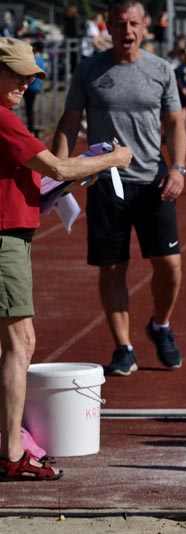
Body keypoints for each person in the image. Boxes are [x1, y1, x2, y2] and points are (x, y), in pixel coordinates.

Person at [0, 37, 131, 479]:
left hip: (11, 234)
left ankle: (10, 443)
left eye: (31, 75)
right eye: (17, 74)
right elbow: (57, 168)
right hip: (4, 240)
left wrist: (71, 177)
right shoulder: (3, 120)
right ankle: (12, 452)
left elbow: (46, 177)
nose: (26, 83)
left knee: (15, 342)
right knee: (21, 342)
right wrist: (112, 158)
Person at [52, 0, 186, 377]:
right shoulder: (89, 70)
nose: (127, 31)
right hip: (105, 183)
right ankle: (123, 347)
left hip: (153, 181)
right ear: (107, 27)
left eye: (133, 23)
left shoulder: (161, 70)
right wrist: (56, 171)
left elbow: (175, 123)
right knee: (112, 267)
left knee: (170, 265)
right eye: (119, 23)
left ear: (145, 27)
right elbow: (69, 121)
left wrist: (178, 168)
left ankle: (160, 325)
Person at [22, 40, 45, 137]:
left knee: (29, 109)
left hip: (29, 87)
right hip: (35, 87)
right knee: (29, 109)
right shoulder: (42, 60)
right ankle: (30, 129)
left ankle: (30, 130)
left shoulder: (34, 59)